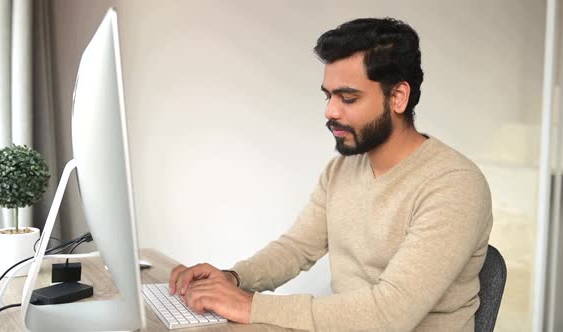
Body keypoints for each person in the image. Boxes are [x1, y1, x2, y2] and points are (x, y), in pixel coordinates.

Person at [169, 17, 492, 331]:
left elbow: (390, 315)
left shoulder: (454, 185)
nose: (330, 111)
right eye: (329, 96)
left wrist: (247, 305)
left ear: (398, 97)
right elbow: (297, 248)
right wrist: (233, 279)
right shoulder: (343, 168)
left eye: (348, 98)